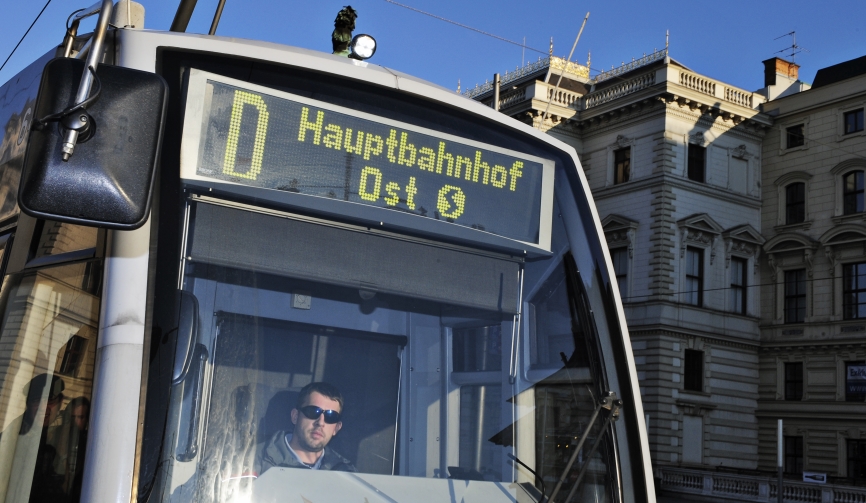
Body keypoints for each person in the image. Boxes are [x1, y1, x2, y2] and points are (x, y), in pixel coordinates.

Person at [255, 382, 356, 475]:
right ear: (295, 416)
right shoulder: (253, 462)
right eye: (313, 412)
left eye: (331, 416)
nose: (320, 422)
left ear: (336, 428)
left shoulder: (347, 473)